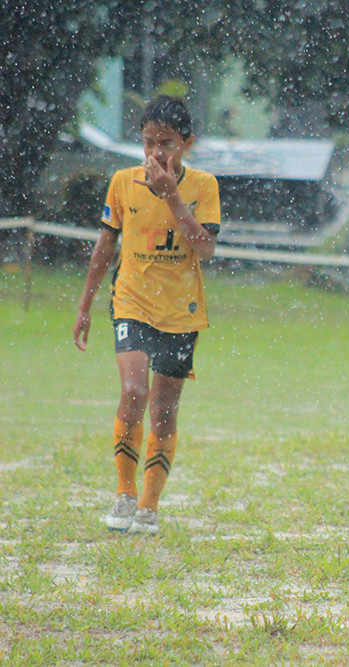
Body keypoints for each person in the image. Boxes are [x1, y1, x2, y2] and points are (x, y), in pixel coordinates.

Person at [73, 96, 221, 535]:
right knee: (134, 389)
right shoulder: (123, 182)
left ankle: (149, 506)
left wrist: (172, 196)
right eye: (149, 142)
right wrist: (84, 306)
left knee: (164, 410)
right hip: (132, 301)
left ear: (186, 144)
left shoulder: (204, 186)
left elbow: (205, 249)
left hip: (181, 311)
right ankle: (124, 493)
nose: (156, 153)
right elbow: (105, 246)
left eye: (167, 143)